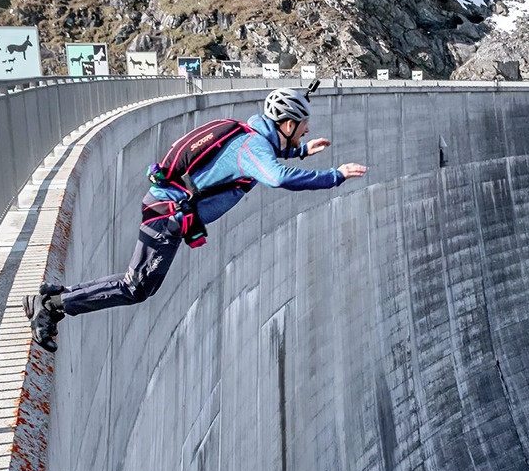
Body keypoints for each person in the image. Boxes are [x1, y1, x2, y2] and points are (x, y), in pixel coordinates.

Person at [23, 87, 367, 351]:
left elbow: (257, 158)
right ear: (288, 124)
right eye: (303, 126)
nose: (307, 130)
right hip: (168, 215)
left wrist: (301, 151)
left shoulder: (251, 139)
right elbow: (277, 177)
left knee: (136, 282)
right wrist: (334, 176)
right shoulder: (253, 147)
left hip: (169, 210)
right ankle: (52, 306)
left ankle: (57, 294)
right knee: (137, 286)